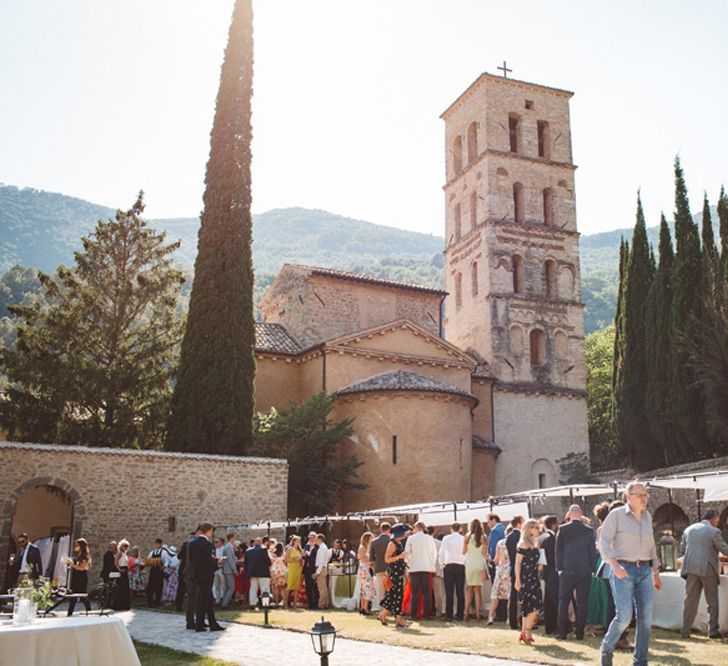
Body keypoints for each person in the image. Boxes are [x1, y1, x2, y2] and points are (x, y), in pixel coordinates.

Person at [599, 481, 662, 666]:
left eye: (646, 495)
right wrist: (614, 565)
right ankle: (606, 649)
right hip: (623, 570)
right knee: (624, 617)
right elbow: (603, 541)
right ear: (628, 497)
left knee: (645, 619)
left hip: (644, 571)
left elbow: (651, 547)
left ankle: (640, 661)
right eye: (640, 495)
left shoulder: (647, 516)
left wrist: (656, 573)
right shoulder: (616, 515)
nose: (645, 499)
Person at [680, 508, 728, 638]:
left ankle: (685, 630)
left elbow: (682, 549)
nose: (718, 522)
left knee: (690, 600)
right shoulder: (714, 531)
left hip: (690, 567)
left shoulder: (688, 530)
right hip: (707, 568)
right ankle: (712, 631)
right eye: (717, 520)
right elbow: (724, 549)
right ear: (713, 519)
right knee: (712, 601)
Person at [556, 505, 597, 640]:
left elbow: (559, 550)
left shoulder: (562, 529)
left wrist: (559, 568)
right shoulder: (589, 530)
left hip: (567, 569)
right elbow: (592, 551)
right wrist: (592, 569)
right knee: (582, 602)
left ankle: (562, 633)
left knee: (563, 600)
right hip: (584, 570)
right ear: (580, 514)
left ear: (570, 514)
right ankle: (579, 633)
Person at [594, 501, 631, 650]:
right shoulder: (613, 527)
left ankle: (614, 637)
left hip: (609, 568)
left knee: (614, 604)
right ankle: (617, 638)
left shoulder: (606, 527)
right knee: (618, 605)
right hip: (614, 568)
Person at [187, 522, 225, 632]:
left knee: (207, 599)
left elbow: (193, 560)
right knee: (204, 599)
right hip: (206, 575)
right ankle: (200, 624)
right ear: (208, 531)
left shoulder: (192, 544)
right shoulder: (208, 545)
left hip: (195, 574)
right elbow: (208, 560)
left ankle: (212, 623)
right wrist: (217, 562)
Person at [514, 519, 542, 645]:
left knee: (531, 606)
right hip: (526, 578)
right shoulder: (523, 544)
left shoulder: (534, 543)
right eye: (536, 527)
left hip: (534, 576)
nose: (538, 529)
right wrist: (518, 580)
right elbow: (517, 563)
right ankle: (527, 632)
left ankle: (525, 633)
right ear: (529, 528)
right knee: (531, 606)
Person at [378, 523, 410, 628]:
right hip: (394, 574)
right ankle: (397, 618)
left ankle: (385, 615)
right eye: (402, 534)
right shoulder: (392, 544)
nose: (404, 536)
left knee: (396, 597)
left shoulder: (398, 543)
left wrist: (405, 572)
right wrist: (399, 556)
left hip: (399, 573)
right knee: (395, 597)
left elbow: (400, 559)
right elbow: (387, 559)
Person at [405, 521, 438, 620]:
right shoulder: (429, 538)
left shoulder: (411, 538)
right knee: (426, 593)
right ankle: (427, 615)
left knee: (414, 593)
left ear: (416, 527)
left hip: (414, 568)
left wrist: (408, 565)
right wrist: (432, 566)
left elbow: (407, 553)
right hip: (426, 568)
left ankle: (413, 614)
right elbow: (434, 554)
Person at [462, 518, 488, 621]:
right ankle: (478, 614)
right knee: (478, 590)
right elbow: (484, 552)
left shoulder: (467, 537)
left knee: (469, 589)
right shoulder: (484, 537)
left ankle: (466, 613)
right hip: (480, 562)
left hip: (470, 563)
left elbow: (463, 552)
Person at [439, 522, 465, 620]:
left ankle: (449, 614)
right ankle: (460, 614)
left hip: (449, 565)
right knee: (460, 591)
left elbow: (442, 552)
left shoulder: (446, 538)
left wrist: (442, 564)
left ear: (451, 529)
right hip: (461, 565)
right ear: (460, 529)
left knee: (449, 592)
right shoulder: (463, 539)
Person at [538, 516, 559, 635]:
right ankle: (554, 625)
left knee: (548, 599)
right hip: (552, 571)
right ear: (554, 524)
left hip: (545, 571)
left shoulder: (541, 538)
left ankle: (549, 626)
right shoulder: (551, 538)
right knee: (553, 599)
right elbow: (552, 557)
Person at [487, 527, 511, 624]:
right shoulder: (516, 542)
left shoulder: (500, 543)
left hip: (500, 570)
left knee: (496, 595)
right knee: (511, 595)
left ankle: (490, 617)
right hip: (509, 570)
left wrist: (490, 559)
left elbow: (496, 560)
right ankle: (510, 618)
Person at [506, 515, 525, 630]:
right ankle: (523, 622)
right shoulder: (520, 537)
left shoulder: (509, 536)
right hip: (521, 568)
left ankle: (513, 621)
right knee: (522, 596)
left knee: (513, 596)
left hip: (512, 568)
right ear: (518, 524)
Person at [244, 537, 272, 608]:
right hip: (263, 573)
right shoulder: (263, 550)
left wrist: (248, 572)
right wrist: (269, 563)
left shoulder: (248, 551)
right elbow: (267, 561)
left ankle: (252, 603)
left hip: (252, 573)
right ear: (260, 543)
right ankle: (265, 604)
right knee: (264, 588)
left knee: (253, 588)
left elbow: (246, 563)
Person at [66, 538, 92, 616]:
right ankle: (70, 612)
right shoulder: (79, 555)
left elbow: (81, 568)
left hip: (81, 578)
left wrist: (72, 564)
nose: (75, 547)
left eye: (77, 545)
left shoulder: (84, 556)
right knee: (73, 595)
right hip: (76, 577)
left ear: (81, 546)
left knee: (82, 595)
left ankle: (89, 610)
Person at [369, 522, 392, 607]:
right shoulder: (392, 540)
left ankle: (381, 609)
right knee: (391, 589)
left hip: (379, 568)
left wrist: (374, 568)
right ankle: (390, 609)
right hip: (391, 567)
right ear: (389, 529)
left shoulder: (374, 542)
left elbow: (371, 559)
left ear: (381, 530)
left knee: (380, 591)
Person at [176, 532, 195, 612]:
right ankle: (191, 606)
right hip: (190, 569)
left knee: (181, 588)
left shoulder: (185, 545)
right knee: (191, 588)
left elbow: (179, 556)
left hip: (183, 568)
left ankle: (179, 605)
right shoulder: (193, 545)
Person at [357, 532, 375, 615]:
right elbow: (362, 558)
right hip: (364, 569)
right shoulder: (362, 548)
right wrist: (371, 560)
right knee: (368, 588)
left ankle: (363, 607)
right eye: (371, 538)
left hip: (365, 569)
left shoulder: (365, 547)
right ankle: (365, 608)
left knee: (365, 589)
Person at [146, 538, 167, 608]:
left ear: (161, 544)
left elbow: (166, 561)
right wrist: (149, 562)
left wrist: (164, 566)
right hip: (153, 570)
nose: (157, 545)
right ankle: (150, 601)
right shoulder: (152, 552)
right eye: (156, 544)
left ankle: (157, 602)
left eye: (158, 544)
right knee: (150, 586)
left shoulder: (163, 552)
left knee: (159, 587)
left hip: (159, 571)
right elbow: (148, 559)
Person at [302, 532, 320, 609]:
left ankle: (316, 603)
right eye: (309, 538)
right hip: (307, 569)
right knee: (308, 587)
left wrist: (309, 554)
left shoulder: (318, 547)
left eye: (312, 537)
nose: (311, 539)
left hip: (314, 569)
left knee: (315, 587)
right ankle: (310, 604)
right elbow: (304, 557)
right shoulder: (307, 546)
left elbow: (316, 557)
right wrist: (304, 555)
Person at [112, 539, 132, 611]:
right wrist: (119, 570)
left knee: (125, 588)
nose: (125, 548)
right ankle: (118, 605)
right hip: (121, 570)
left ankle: (124, 605)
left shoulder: (125, 554)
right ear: (121, 546)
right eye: (124, 546)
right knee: (120, 588)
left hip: (125, 571)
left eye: (127, 546)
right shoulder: (119, 553)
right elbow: (115, 562)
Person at [284, 535, 303, 609]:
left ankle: (295, 605)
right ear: (294, 541)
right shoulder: (289, 549)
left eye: (299, 541)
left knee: (296, 587)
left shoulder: (299, 550)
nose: (299, 542)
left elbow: (301, 560)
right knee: (289, 587)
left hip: (298, 569)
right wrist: (294, 559)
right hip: (291, 569)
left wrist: (301, 559)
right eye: (297, 541)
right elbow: (285, 559)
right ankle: (285, 604)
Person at [221, 533, 238, 608]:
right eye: (234, 538)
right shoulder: (228, 547)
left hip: (227, 569)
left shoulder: (228, 547)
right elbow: (230, 560)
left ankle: (224, 602)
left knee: (228, 587)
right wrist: (234, 570)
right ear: (231, 538)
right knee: (231, 587)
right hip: (229, 570)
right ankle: (225, 603)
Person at [486, 514, 505, 582]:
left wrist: (492, 560)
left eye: (488, 522)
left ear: (493, 520)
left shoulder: (495, 530)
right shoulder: (503, 528)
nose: (488, 524)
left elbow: (493, 547)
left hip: (496, 561)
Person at [314, 534, 330, 609]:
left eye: (316, 539)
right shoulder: (323, 547)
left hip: (321, 568)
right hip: (322, 568)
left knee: (321, 588)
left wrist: (317, 572)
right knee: (323, 588)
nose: (315, 541)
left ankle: (321, 604)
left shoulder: (322, 548)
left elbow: (321, 561)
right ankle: (325, 604)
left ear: (320, 539)